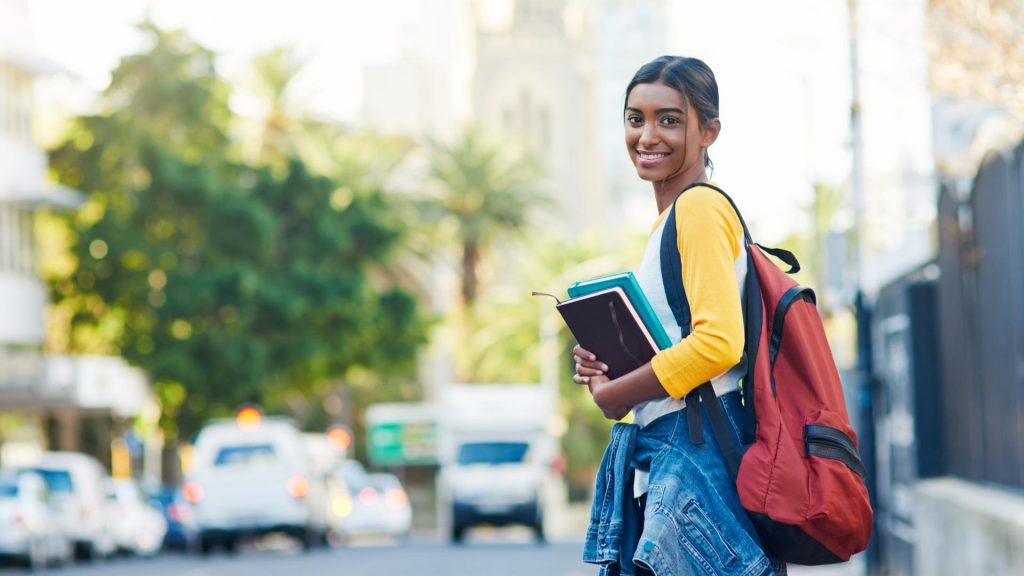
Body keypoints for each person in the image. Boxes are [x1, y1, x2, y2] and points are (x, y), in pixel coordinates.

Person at [574, 55, 783, 575]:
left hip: (696, 448)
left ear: (709, 130)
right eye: (635, 118)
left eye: (669, 119)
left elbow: (718, 343)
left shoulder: (699, 209)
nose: (647, 135)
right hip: (678, 447)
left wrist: (616, 393)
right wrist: (607, 365)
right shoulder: (671, 219)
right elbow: (684, 341)